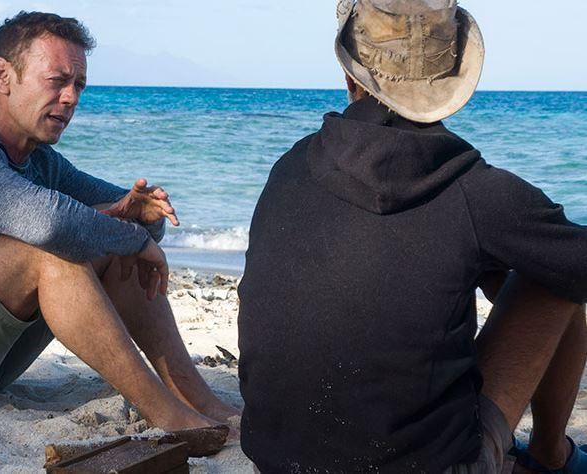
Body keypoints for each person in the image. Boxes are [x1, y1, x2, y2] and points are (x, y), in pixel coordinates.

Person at [237, 0, 587, 472]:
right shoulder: (475, 191)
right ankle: (551, 455)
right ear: (454, 83)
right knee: (554, 277)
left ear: (351, 77)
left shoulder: (292, 165)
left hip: (276, 459)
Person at [0, 11, 238, 438]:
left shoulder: (41, 162)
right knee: (48, 246)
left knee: (98, 237)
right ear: (3, 75)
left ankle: (196, 398)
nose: (71, 98)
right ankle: (168, 417)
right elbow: (49, 224)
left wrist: (142, 217)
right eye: (57, 81)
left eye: (79, 85)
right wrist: (129, 236)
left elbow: (121, 218)